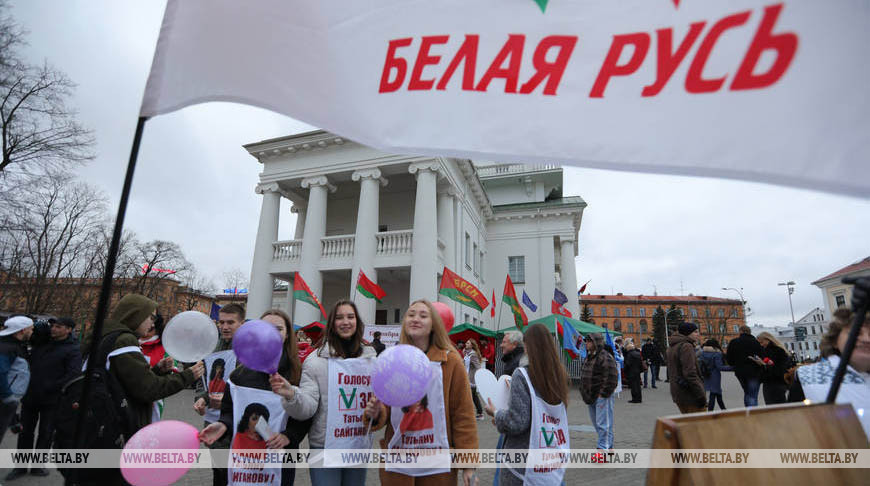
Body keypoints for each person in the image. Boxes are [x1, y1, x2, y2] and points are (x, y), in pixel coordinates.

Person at [365, 299, 478, 486]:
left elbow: (463, 415)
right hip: (398, 466)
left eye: (423, 315)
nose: (415, 319)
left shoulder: (451, 361)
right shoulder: (393, 359)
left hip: (437, 468)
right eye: (411, 314)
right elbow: (384, 406)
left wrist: (468, 466)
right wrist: (376, 413)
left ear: (434, 324)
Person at [269, 300, 378, 486]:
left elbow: (377, 401)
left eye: (350, 317)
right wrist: (292, 395)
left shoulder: (370, 358)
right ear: (332, 324)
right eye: (339, 317)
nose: (345, 322)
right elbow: (308, 407)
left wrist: (377, 411)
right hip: (325, 447)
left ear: (357, 322)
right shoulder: (316, 360)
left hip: (358, 444)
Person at [200, 308, 306, 486]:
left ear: (287, 335)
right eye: (265, 328)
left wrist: (289, 435)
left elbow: (306, 414)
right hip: (243, 464)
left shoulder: (299, 374)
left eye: (278, 329)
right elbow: (229, 411)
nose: (270, 334)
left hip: (282, 459)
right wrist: (223, 425)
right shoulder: (238, 376)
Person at [80, 294, 204, 430]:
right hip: (114, 425)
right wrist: (188, 375)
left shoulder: (105, 335)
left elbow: (122, 380)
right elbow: (149, 389)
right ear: (136, 315)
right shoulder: (124, 340)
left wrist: (156, 370)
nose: (152, 324)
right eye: (151, 317)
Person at [484, 323, 569, 486]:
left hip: (523, 459)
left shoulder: (522, 374)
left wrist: (496, 413)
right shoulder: (559, 373)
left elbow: (517, 422)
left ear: (529, 345)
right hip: (550, 450)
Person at [7, 317, 81, 480]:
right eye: (53, 326)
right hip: (31, 395)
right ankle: (20, 467)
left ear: (69, 329)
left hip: (52, 399)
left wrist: (52, 387)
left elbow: (73, 374)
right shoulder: (42, 341)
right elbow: (29, 335)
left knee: (46, 433)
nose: (53, 329)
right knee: (25, 432)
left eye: (59, 327)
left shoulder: (73, 349)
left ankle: (37, 466)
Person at [788, 304, 870, 436]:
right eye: (857, 332)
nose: (867, 339)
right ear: (835, 341)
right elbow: (792, 431)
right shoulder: (807, 378)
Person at [195, 303, 245, 486]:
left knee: (238, 472)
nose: (224, 327)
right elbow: (203, 378)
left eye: (230, 322)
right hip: (213, 420)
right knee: (219, 470)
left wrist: (228, 401)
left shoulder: (249, 349)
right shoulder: (212, 347)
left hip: (239, 422)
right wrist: (201, 398)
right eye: (221, 322)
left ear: (241, 323)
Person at [579, 332, 618, 450]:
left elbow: (611, 377)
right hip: (590, 397)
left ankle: (602, 449)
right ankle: (608, 446)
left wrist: (603, 394)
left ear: (596, 342)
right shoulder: (589, 357)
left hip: (601, 397)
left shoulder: (604, 357)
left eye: (589, 341)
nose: (586, 343)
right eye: (586, 341)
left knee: (603, 424)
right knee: (599, 424)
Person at [0, 316, 34, 444]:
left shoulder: (10, 345)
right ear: (22, 330)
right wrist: (8, 397)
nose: (32, 332)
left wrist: (13, 419)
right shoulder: (7, 347)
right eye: (31, 329)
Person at [666, 322, 706, 413]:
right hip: (690, 394)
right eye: (695, 332)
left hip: (679, 392)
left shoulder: (673, 346)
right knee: (700, 425)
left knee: (689, 423)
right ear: (687, 333)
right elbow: (690, 373)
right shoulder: (686, 346)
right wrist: (700, 395)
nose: (698, 334)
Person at [726, 325, 764, 407]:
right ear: (749, 332)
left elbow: (729, 358)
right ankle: (752, 415)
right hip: (754, 372)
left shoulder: (734, 342)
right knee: (752, 395)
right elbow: (762, 357)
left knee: (747, 393)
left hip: (740, 372)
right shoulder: (756, 342)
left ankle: (748, 412)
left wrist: (735, 364)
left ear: (740, 331)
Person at [752, 331, 791, 405]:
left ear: (768, 340)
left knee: (778, 406)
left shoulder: (778, 351)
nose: (761, 345)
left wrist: (764, 365)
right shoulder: (765, 350)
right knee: (772, 406)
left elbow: (780, 369)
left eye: (762, 342)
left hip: (777, 383)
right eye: (759, 343)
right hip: (769, 382)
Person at [698, 339, 732, 411]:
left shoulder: (702, 353)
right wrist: (733, 368)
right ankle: (711, 412)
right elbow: (719, 367)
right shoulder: (717, 354)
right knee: (714, 393)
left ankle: (724, 409)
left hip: (706, 375)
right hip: (715, 376)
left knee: (717, 392)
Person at [463, 339, 484, 419]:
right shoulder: (467, 354)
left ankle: (471, 414)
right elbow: (465, 364)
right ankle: (480, 413)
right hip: (467, 378)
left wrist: (479, 377)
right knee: (474, 397)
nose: (466, 343)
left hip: (471, 380)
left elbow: (478, 366)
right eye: (466, 342)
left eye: (467, 343)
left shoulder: (473, 354)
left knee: (468, 397)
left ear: (472, 345)